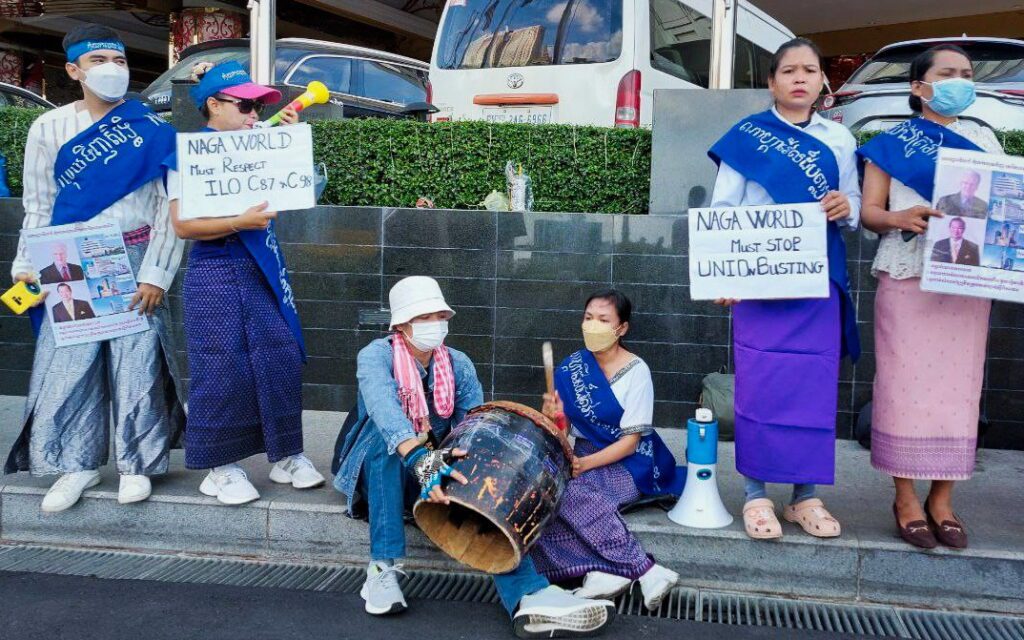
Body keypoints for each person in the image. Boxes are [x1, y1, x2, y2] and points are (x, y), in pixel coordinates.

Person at [333, 276, 616, 639]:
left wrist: (476, 472)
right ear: (402, 323)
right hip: (377, 472)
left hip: (437, 468)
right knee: (384, 440)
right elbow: (385, 410)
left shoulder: (457, 363)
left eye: (440, 314)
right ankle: (382, 569)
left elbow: (477, 430)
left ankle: (529, 596)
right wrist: (422, 461)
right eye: (425, 316)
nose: (436, 323)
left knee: (483, 480)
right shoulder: (376, 355)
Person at [4, 25, 186, 512]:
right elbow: (38, 206)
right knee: (71, 366)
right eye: (100, 59)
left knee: (137, 365)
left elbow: (170, 209)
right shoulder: (49, 127)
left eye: (120, 59)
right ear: (74, 70)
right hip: (67, 258)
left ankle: (137, 465)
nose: (113, 68)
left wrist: (156, 274)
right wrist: (27, 265)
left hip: (134, 256)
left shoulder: (153, 129)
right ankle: (75, 464)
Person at [707, 37, 861, 541]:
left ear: (822, 83)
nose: (800, 78)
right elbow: (723, 210)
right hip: (760, 282)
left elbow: (855, 207)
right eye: (789, 70)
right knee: (761, 387)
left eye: (810, 70)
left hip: (819, 283)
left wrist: (845, 207)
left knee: (812, 390)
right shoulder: (747, 136)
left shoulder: (840, 141)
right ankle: (755, 494)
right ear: (771, 82)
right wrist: (724, 273)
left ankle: (804, 495)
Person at [858, 44, 1002, 550]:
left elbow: (1004, 201)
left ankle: (943, 499)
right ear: (919, 86)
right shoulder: (891, 142)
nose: (960, 80)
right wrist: (899, 218)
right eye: (947, 73)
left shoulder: (984, 138)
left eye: (966, 73)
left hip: (967, 279)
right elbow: (870, 212)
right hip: (908, 271)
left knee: (960, 390)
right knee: (903, 385)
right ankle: (905, 498)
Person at [167, 60, 324, 505]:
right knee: (220, 367)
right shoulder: (188, 153)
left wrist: (282, 139)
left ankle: (287, 453)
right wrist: (239, 221)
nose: (255, 114)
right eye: (245, 105)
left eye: (258, 106)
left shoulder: (259, 144)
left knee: (281, 356)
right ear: (213, 105)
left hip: (262, 267)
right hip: (213, 269)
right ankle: (220, 467)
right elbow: (182, 225)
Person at [536, 289, 682, 610]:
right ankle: (606, 571)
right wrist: (552, 414)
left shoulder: (637, 371)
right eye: (588, 318)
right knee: (545, 495)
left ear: (622, 329)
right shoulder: (570, 369)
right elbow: (561, 432)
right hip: (584, 453)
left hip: (632, 463)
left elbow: (630, 443)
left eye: (603, 320)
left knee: (569, 494)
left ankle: (642, 569)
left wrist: (583, 464)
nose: (593, 325)